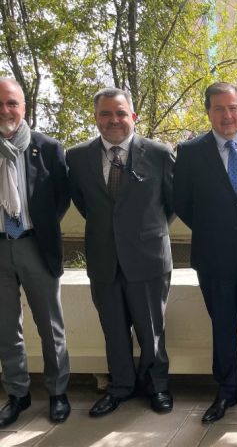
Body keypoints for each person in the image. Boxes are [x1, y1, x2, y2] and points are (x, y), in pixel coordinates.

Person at [173, 82, 237, 422]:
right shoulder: (189, 152)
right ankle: (226, 392)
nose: (227, 115)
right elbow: (183, 203)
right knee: (222, 328)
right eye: (219, 108)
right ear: (208, 112)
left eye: (233, 107)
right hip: (214, 256)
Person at [66, 88, 175, 417]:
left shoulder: (158, 153)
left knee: (151, 329)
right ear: (96, 117)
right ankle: (121, 387)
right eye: (105, 114)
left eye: (120, 113)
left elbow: (170, 205)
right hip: (103, 259)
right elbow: (84, 204)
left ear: (133, 116)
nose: (114, 120)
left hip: (148, 258)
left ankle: (157, 386)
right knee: (113, 330)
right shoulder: (77, 157)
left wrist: (142, 232)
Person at [0, 78, 71, 426]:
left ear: (23, 107)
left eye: (11, 103)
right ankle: (18, 394)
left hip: (35, 246)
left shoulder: (48, 148)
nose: (5, 110)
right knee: (5, 328)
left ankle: (58, 393)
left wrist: (35, 228)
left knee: (50, 326)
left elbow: (60, 199)